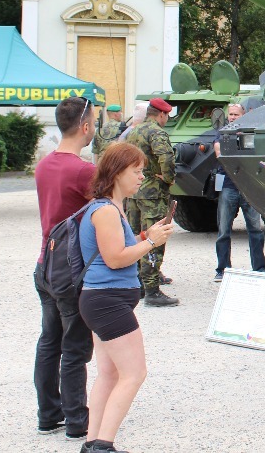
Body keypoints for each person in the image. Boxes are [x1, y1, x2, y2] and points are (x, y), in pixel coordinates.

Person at [78, 142, 175, 453]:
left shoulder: (109, 207)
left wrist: (147, 235)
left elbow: (118, 246)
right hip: (107, 302)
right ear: (117, 173)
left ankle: (92, 441)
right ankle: (103, 445)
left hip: (102, 300)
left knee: (109, 373)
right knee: (134, 373)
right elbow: (116, 258)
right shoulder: (105, 210)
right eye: (136, 171)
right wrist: (151, 244)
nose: (141, 177)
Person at [32, 97, 96, 439]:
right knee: (75, 347)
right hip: (70, 268)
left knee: (49, 342)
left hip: (44, 262)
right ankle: (76, 421)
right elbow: (106, 211)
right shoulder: (84, 170)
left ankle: (48, 414)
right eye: (95, 122)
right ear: (85, 127)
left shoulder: (44, 165)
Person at [124, 97, 178, 307]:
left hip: (134, 192)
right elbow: (167, 157)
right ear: (162, 114)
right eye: (166, 116)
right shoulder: (156, 132)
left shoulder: (134, 131)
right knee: (155, 239)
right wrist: (168, 178)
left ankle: (137, 284)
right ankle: (152, 290)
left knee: (136, 237)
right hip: (153, 195)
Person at [213, 103, 265, 281]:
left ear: (243, 115)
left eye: (236, 114)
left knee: (255, 230)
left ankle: (259, 268)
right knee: (224, 230)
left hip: (249, 187)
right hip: (229, 185)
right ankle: (222, 269)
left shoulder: (251, 131)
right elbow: (219, 152)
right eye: (231, 114)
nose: (233, 117)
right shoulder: (223, 132)